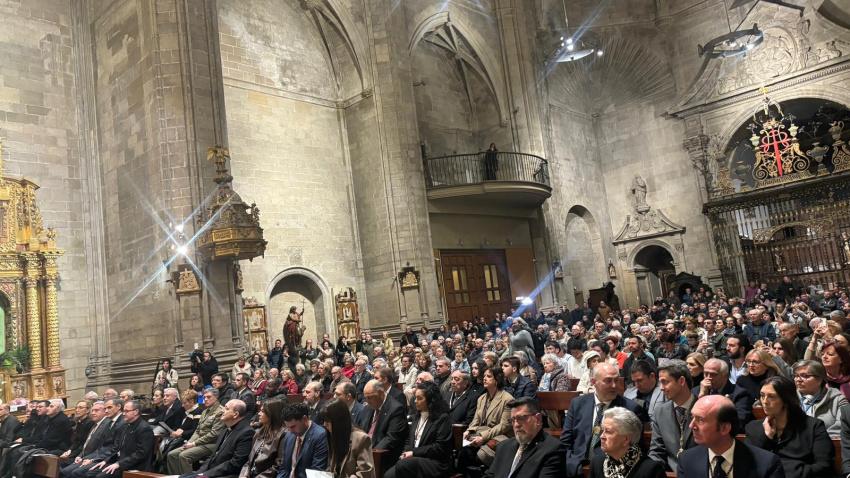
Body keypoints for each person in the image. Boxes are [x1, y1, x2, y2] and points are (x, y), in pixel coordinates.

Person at [561, 363, 650, 478]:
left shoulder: (630, 408)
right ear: (593, 382)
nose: (614, 386)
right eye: (608, 381)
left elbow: (635, 448)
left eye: (616, 380)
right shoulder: (578, 404)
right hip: (575, 467)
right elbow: (565, 442)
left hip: (609, 469)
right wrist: (572, 464)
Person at [745, 375, 834, 477]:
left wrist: (786, 473)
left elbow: (824, 466)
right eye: (762, 395)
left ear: (786, 399)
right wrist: (767, 438)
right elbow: (749, 464)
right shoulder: (753, 428)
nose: (764, 401)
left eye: (771, 396)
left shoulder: (813, 426)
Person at [677, 395, 784, 478]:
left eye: (700, 420)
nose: (691, 426)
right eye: (692, 417)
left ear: (724, 428)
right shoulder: (687, 460)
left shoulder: (766, 464)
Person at [482, 397, 563, 478]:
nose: (516, 425)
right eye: (513, 420)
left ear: (538, 419)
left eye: (521, 418)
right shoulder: (503, 446)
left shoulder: (552, 449)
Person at [385, 381, 451, 478]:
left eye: (419, 398)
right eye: (415, 397)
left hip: (434, 462)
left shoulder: (442, 418)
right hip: (414, 459)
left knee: (403, 465)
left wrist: (413, 453)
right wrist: (406, 452)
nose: (415, 401)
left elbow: (439, 447)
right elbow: (409, 439)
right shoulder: (417, 416)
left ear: (430, 400)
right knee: (388, 475)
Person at [457, 365, 514, 475]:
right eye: (484, 376)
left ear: (497, 380)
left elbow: (503, 426)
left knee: (480, 455)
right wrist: (469, 430)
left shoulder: (507, 399)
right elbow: (476, 420)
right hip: (482, 432)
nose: (484, 378)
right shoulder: (481, 398)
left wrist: (483, 437)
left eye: (489, 376)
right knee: (463, 451)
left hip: (502, 436)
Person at [180, 399, 253, 478]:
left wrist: (206, 474)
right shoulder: (225, 430)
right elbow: (213, 457)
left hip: (227, 475)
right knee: (183, 476)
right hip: (213, 471)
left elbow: (236, 464)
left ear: (235, 414)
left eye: (226, 408)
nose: (222, 410)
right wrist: (200, 472)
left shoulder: (246, 433)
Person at [649, 360, 696, 472]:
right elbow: (656, 451)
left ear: (681, 381)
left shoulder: (703, 408)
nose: (661, 388)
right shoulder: (660, 411)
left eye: (665, 382)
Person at [590, 407, 665, 478]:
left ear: (626, 439)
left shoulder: (651, 469)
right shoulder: (597, 463)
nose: (601, 436)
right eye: (602, 430)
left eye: (608, 432)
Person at [87, 400, 154, 478]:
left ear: (136, 412)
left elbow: (141, 453)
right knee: (90, 473)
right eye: (123, 411)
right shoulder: (126, 426)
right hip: (120, 462)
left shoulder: (144, 428)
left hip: (135, 466)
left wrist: (119, 464)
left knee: (101, 477)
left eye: (126, 411)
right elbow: (118, 448)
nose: (123, 413)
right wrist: (106, 461)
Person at [167, 389, 226, 474]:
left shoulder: (220, 411)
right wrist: (190, 443)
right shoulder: (205, 411)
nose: (205, 399)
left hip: (212, 444)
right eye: (204, 397)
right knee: (171, 455)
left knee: (184, 456)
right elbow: (197, 431)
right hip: (199, 442)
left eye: (208, 397)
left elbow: (214, 434)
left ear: (216, 397)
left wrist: (194, 443)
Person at [356, 380, 408, 469]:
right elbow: (361, 430)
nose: (367, 401)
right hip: (365, 451)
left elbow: (391, 438)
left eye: (370, 397)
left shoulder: (396, 409)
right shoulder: (368, 408)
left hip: (383, 455)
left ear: (380, 393)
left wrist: (370, 453)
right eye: (366, 398)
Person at [794, 359, 848, 437]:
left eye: (805, 376)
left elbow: (842, 426)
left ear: (820, 379)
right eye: (796, 376)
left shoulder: (837, 399)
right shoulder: (789, 398)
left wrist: (819, 439)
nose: (798, 380)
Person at [693, 358, 754, 425]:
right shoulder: (696, 391)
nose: (708, 377)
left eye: (713, 374)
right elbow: (689, 418)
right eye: (705, 373)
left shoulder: (740, 394)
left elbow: (740, 422)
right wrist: (702, 397)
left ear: (725, 375)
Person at [323, 400, 375, 478]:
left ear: (339, 420)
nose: (324, 424)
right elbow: (332, 467)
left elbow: (366, 472)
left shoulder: (361, 438)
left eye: (328, 421)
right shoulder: (333, 435)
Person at [276, 402, 329, 478]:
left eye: (293, 426)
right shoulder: (289, 435)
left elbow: (317, 471)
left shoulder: (320, 436)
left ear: (304, 419)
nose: (290, 430)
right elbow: (284, 468)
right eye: (288, 427)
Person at [239, 398, 285, 478]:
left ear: (272, 414)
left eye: (263, 411)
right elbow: (249, 461)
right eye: (260, 410)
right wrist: (244, 474)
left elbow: (278, 466)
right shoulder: (259, 431)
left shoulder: (283, 435)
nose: (259, 414)